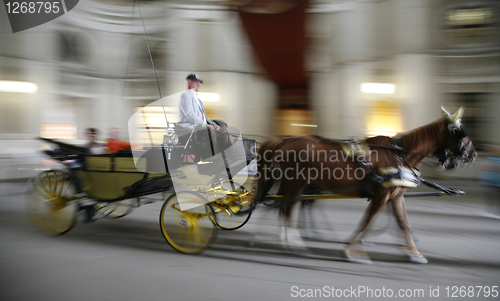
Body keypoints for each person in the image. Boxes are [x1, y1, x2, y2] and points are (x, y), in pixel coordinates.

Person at [178, 74, 232, 154]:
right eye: (196, 82)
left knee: (223, 130)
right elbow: (190, 114)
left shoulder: (197, 99)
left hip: (200, 125)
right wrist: (205, 125)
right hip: (191, 127)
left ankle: (229, 156)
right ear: (189, 82)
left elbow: (203, 115)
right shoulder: (185, 95)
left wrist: (214, 124)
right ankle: (214, 156)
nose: (198, 84)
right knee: (210, 130)